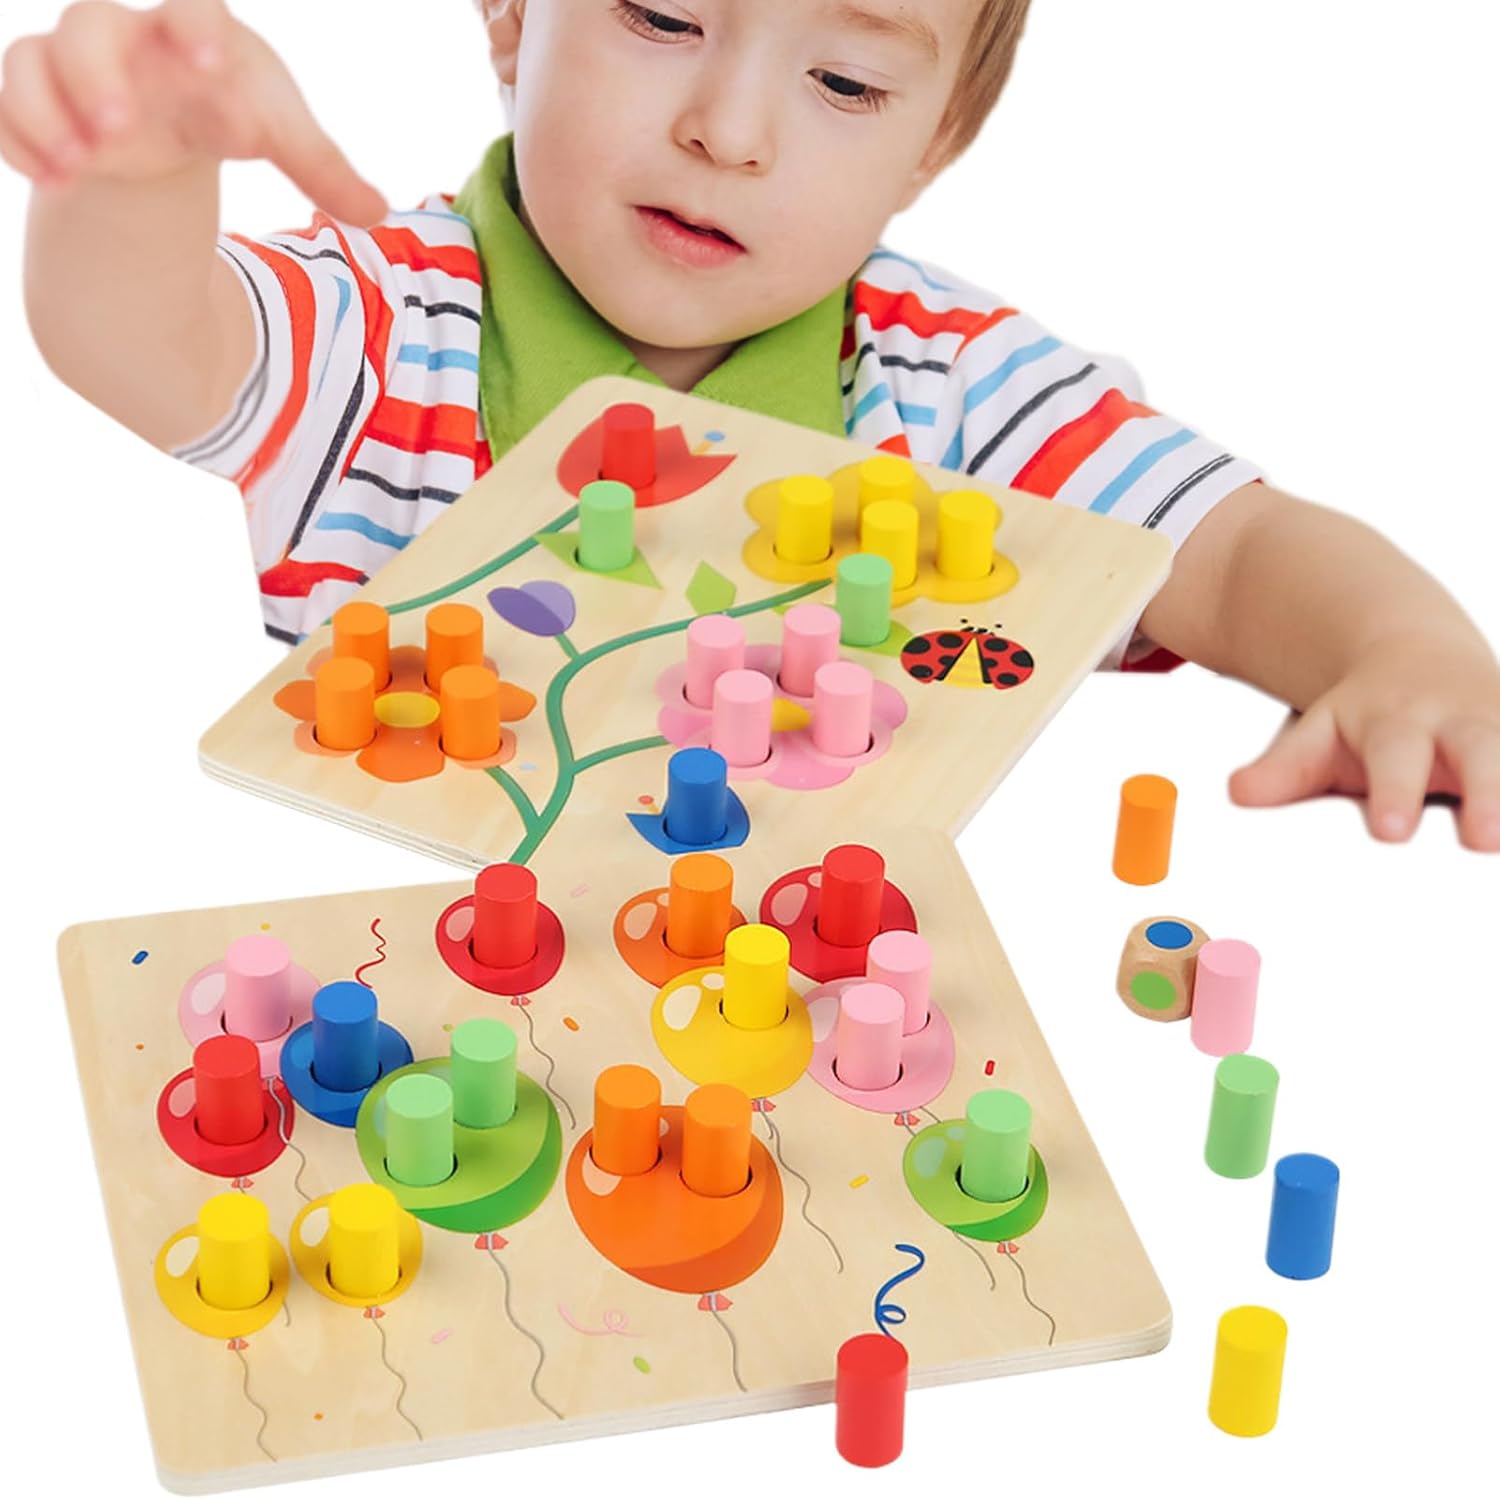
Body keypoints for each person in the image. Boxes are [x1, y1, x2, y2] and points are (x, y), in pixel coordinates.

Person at [3, 0, 1497, 848]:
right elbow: (143, 341)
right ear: (513, 17)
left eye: (845, 79)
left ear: (936, 143)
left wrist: (1406, 653)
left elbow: (1225, 553)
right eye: (664, 14)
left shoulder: (954, 387)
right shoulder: (389, 322)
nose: (729, 129)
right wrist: (132, 170)